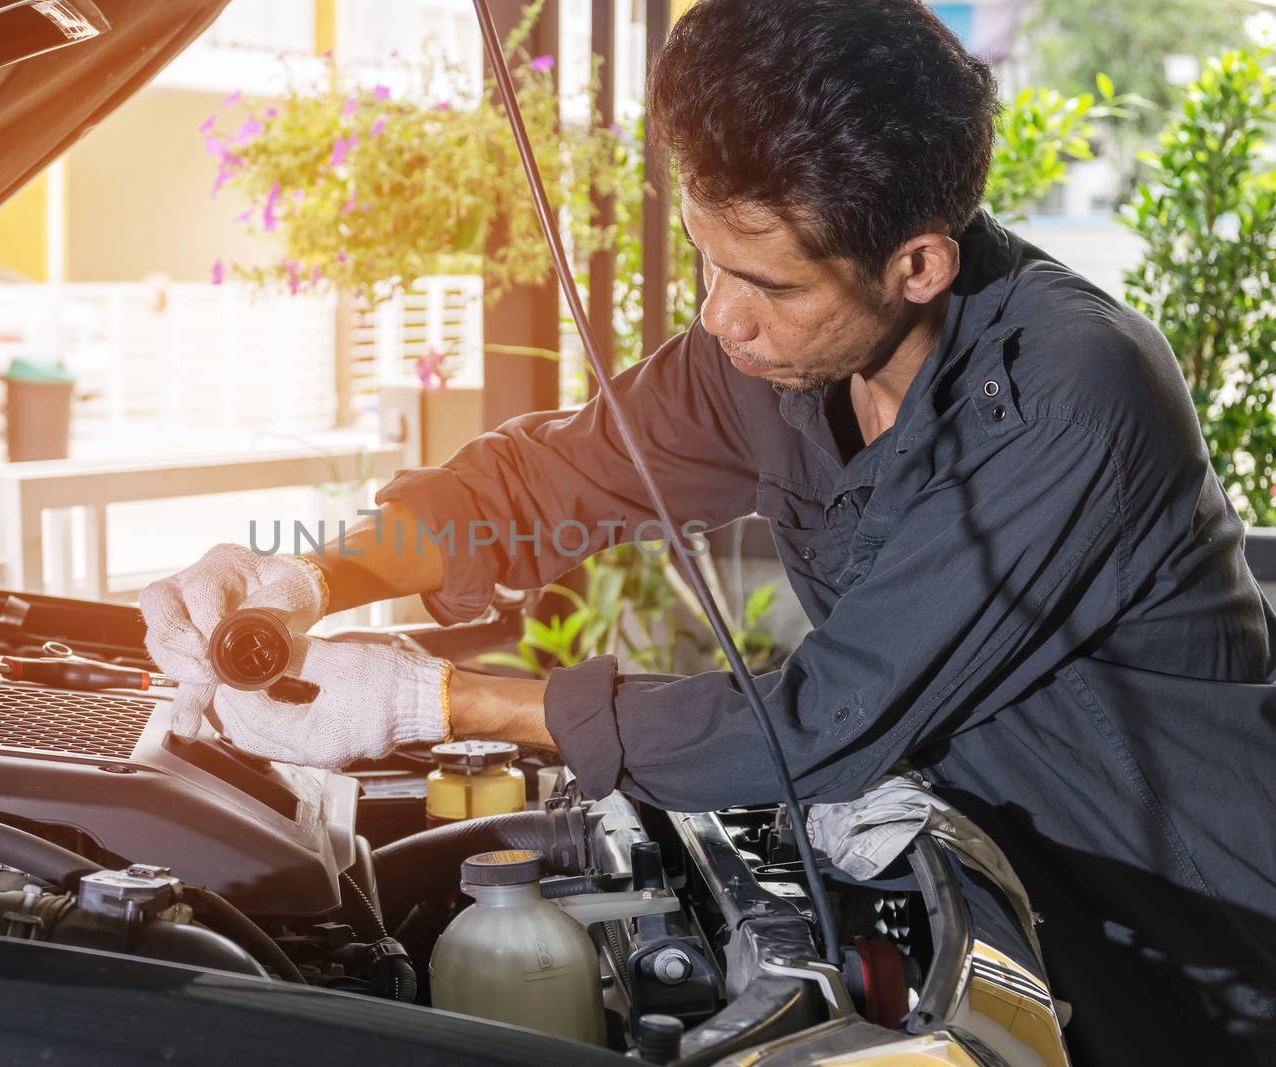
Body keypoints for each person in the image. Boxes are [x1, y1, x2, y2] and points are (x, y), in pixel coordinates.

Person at [141, 1, 1276, 1060]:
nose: (715, 316)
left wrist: (424, 699)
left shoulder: (1071, 385)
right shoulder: (770, 357)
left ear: (916, 262)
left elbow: (826, 714)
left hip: (1200, 951)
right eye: (704, 258)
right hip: (994, 911)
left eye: (763, 283)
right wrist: (305, 578)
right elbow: (539, 483)